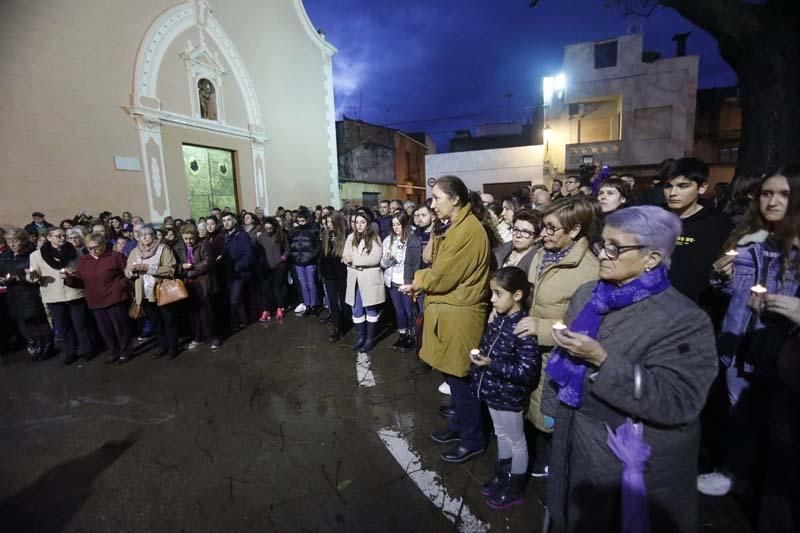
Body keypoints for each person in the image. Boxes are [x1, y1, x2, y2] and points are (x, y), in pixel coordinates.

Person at [542, 206, 718, 533]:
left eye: (616, 248)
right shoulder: (587, 295)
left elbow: (679, 400)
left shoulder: (684, 319)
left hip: (624, 458)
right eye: (602, 244)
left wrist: (602, 361)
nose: (603, 255)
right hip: (573, 438)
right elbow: (564, 359)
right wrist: (552, 407)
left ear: (652, 258)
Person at [700, 165, 799, 498]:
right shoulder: (747, 241)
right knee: (739, 415)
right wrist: (720, 276)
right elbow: (728, 293)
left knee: (781, 429)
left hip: (784, 355)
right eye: (767, 193)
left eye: (783, 194)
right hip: (739, 344)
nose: (772, 201)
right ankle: (737, 475)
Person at [399, 175, 492, 464]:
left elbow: (442, 275)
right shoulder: (453, 227)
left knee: (462, 382)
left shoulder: (468, 231)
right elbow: (432, 260)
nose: (432, 203)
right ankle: (459, 427)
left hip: (460, 316)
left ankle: (473, 439)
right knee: (453, 379)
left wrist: (417, 281)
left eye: (438, 198)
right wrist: (438, 233)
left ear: (456, 200)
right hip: (448, 313)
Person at [515, 196, 601, 477]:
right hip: (530, 349)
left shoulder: (588, 270)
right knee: (530, 411)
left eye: (551, 228)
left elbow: (584, 327)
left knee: (550, 418)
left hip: (558, 357)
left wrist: (540, 328)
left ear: (575, 230)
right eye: (543, 227)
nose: (543, 234)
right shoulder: (542, 254)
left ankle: (551, 470)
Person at [471, 266, 540, 509]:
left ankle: (515, 486)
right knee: (501, 434)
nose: (492, 299)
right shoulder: (498, 320)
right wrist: (480, 359)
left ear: (517, 295)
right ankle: (503, 475)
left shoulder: (523, 328)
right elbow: (489, 347)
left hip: (509, 396)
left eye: (498, 294)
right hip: (493, 391)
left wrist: (492, 364)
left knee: (516, 440)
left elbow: (527, 372)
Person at [664, 158, 734, 307]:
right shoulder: (652, 217)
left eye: (683, 186)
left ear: (702, 187)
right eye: (668, 186)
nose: (673, 193)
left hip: (699, 308)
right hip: (654, 306)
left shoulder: (719, 223)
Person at [27, 227, 93, 364]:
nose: (62, 238)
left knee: (81, 324)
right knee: (63, 327)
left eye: (64, 236)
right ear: (49, 238)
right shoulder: (36, 255)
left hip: (74, 293)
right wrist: (32, 276)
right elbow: (33, 276)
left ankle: (87, 350)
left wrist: (73, 273)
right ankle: (70, 352)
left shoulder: (75, 251)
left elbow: (82, 270)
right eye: (58, 236)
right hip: (53, 295)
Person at [67, 232, 133, 363]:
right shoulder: (83, 261)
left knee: (120, 327)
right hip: (95, 301)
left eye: (96, 247)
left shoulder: (115, 256)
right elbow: (80, 282)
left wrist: (120, 286)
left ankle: (126, 351)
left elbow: (128, 274)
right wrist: (69, 279)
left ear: (103, 245)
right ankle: (114, 351)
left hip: (115, 298)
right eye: (90, 248)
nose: (93, 250)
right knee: (105, 330)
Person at [126, 225, 179, 360]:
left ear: (154, 236)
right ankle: (162, 347)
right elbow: (127, 269)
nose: (144, 237)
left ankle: (173, 348)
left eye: (148, 234)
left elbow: (171, 268)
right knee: (155, 322)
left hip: (161, 290)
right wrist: (131, 272)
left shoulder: (163, 249)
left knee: (168, 320)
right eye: (141, 235)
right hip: (144, 292)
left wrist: (147, 267)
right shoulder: (135, 251)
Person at [0, 229, 53, 360]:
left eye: (15, 241)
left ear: (23, 240)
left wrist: (20, 278)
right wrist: (3, 279)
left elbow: (37, 273)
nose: (12, 244)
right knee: (24, 322)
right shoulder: (6, 256)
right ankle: (35, 345)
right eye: (9, 241)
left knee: (38, 321)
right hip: (13, 294)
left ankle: (47, 346)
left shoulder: (32, 254)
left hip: (30, 293)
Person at [343, 210, 385, 353]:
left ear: (367, 223)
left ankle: (369, 339)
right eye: (356, 222)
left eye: (362, 222)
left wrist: (354, 261)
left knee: (371, 310)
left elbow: (375, 259)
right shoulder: (350, 237)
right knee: (356, 309)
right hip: (354, 278)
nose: (359, 225)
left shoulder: (375, 238)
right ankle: (361, 336)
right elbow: (345, 256)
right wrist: (351, 261)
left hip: (369, 278)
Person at [174, 224, 221, 350]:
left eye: (191, 238)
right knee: (193, 313)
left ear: (195, 236)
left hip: (202, 282)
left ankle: (214, 337)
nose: (189, 241)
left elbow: (208, 262)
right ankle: (197, 337)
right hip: (187, 284)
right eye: (186, 238)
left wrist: (190, 271)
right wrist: (181, 268)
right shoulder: (177, 247)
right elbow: (174, 265)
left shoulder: (204, 244)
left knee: (208, 312)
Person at [381, 212, 422, 352]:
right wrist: (388, 258)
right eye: (393, 225)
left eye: (398, 224)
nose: (396, 227)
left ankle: (412, 336)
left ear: (405, 224)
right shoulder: (388, 240)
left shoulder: (412, 240)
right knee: (399, 311)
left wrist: (413, 282)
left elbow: (415, 263)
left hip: (406, 281)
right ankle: (402, 335)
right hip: (392, 281)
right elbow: (383, 263)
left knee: (410, 311)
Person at [222, 212, 255, 331]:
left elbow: (249, 255)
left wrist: (237, 266)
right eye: (224, 220)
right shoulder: (225, 236)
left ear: (234, 221)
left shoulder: (242, 235)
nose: (226, 223)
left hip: (240, 273)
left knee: (234, 299)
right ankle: (244, 320)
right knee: (237, 299)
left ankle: (234, 323)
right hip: (229, 273)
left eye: (229, 220)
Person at [319, 213, 349, 341]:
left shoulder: (345, 236)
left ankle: (345, 322)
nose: (328, 225)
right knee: (333, 302)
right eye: (327, 222)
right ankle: (336, 327)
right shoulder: (326, 235)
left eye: (331, 222)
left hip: (342, 275)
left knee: (344, 302)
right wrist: (322, 273)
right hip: (329, 275)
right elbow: (322, 256)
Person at [255, 217, 289, 321]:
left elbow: (287, 249)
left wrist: (283, 258)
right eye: (266, 228)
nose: (268, 230)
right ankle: (266, 310)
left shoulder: (280, 235)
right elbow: (257, 250)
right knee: (266, 289)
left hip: (278, 266)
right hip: (266, 267)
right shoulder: (261, 236)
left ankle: (280, 308)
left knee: (277, 288)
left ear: (274, 227)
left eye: (270, 228)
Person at [289, 208, 321, 317]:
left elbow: (317, 247)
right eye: (299, 220)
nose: (301, 223)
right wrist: (294, 257)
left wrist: (312, 257)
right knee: (303, 284)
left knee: (311, 284)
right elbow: (291, 246)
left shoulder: (312, 231)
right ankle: (307, 305)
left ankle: (314, 305)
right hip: (298, 262)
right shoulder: (294, 232)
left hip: (310, 261)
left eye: (303, 220)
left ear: (307, 220)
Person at [493, 209, 541, 273]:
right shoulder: (501, 251)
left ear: (537, 237)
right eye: (516, 229)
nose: (518, 235)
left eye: (525, 232)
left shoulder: (538, 261)